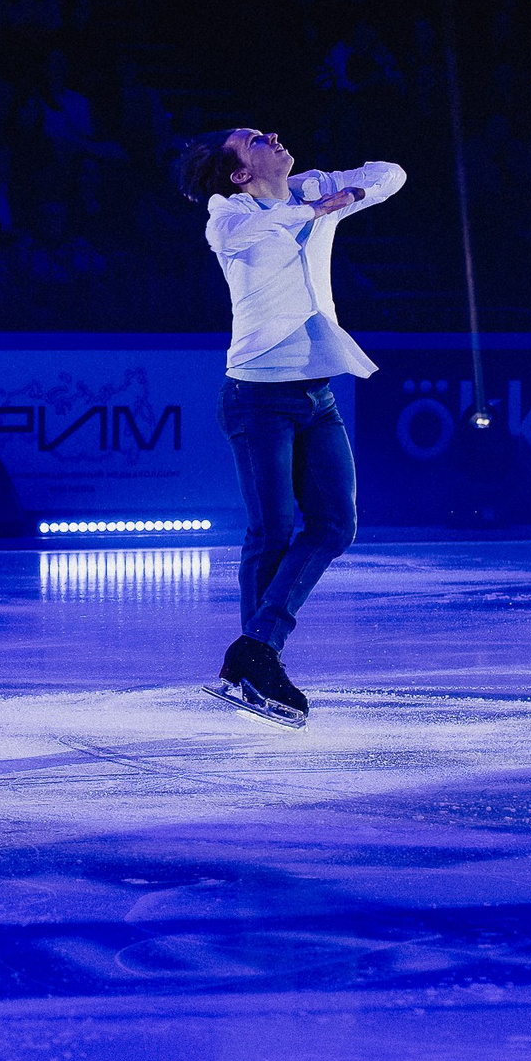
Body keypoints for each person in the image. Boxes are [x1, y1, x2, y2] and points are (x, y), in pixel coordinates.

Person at [175, 126, 404, 725]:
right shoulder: (228, 216)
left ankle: (252, 651)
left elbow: (388, 174)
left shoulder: (309, 190)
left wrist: (337, 197)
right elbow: (254, 229)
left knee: (335, 525)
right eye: (254, 141)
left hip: (316, 394)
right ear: (239, 173)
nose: (272, 136)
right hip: (256, 396)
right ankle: (259, 659)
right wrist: (308, 205)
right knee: (271, 530)